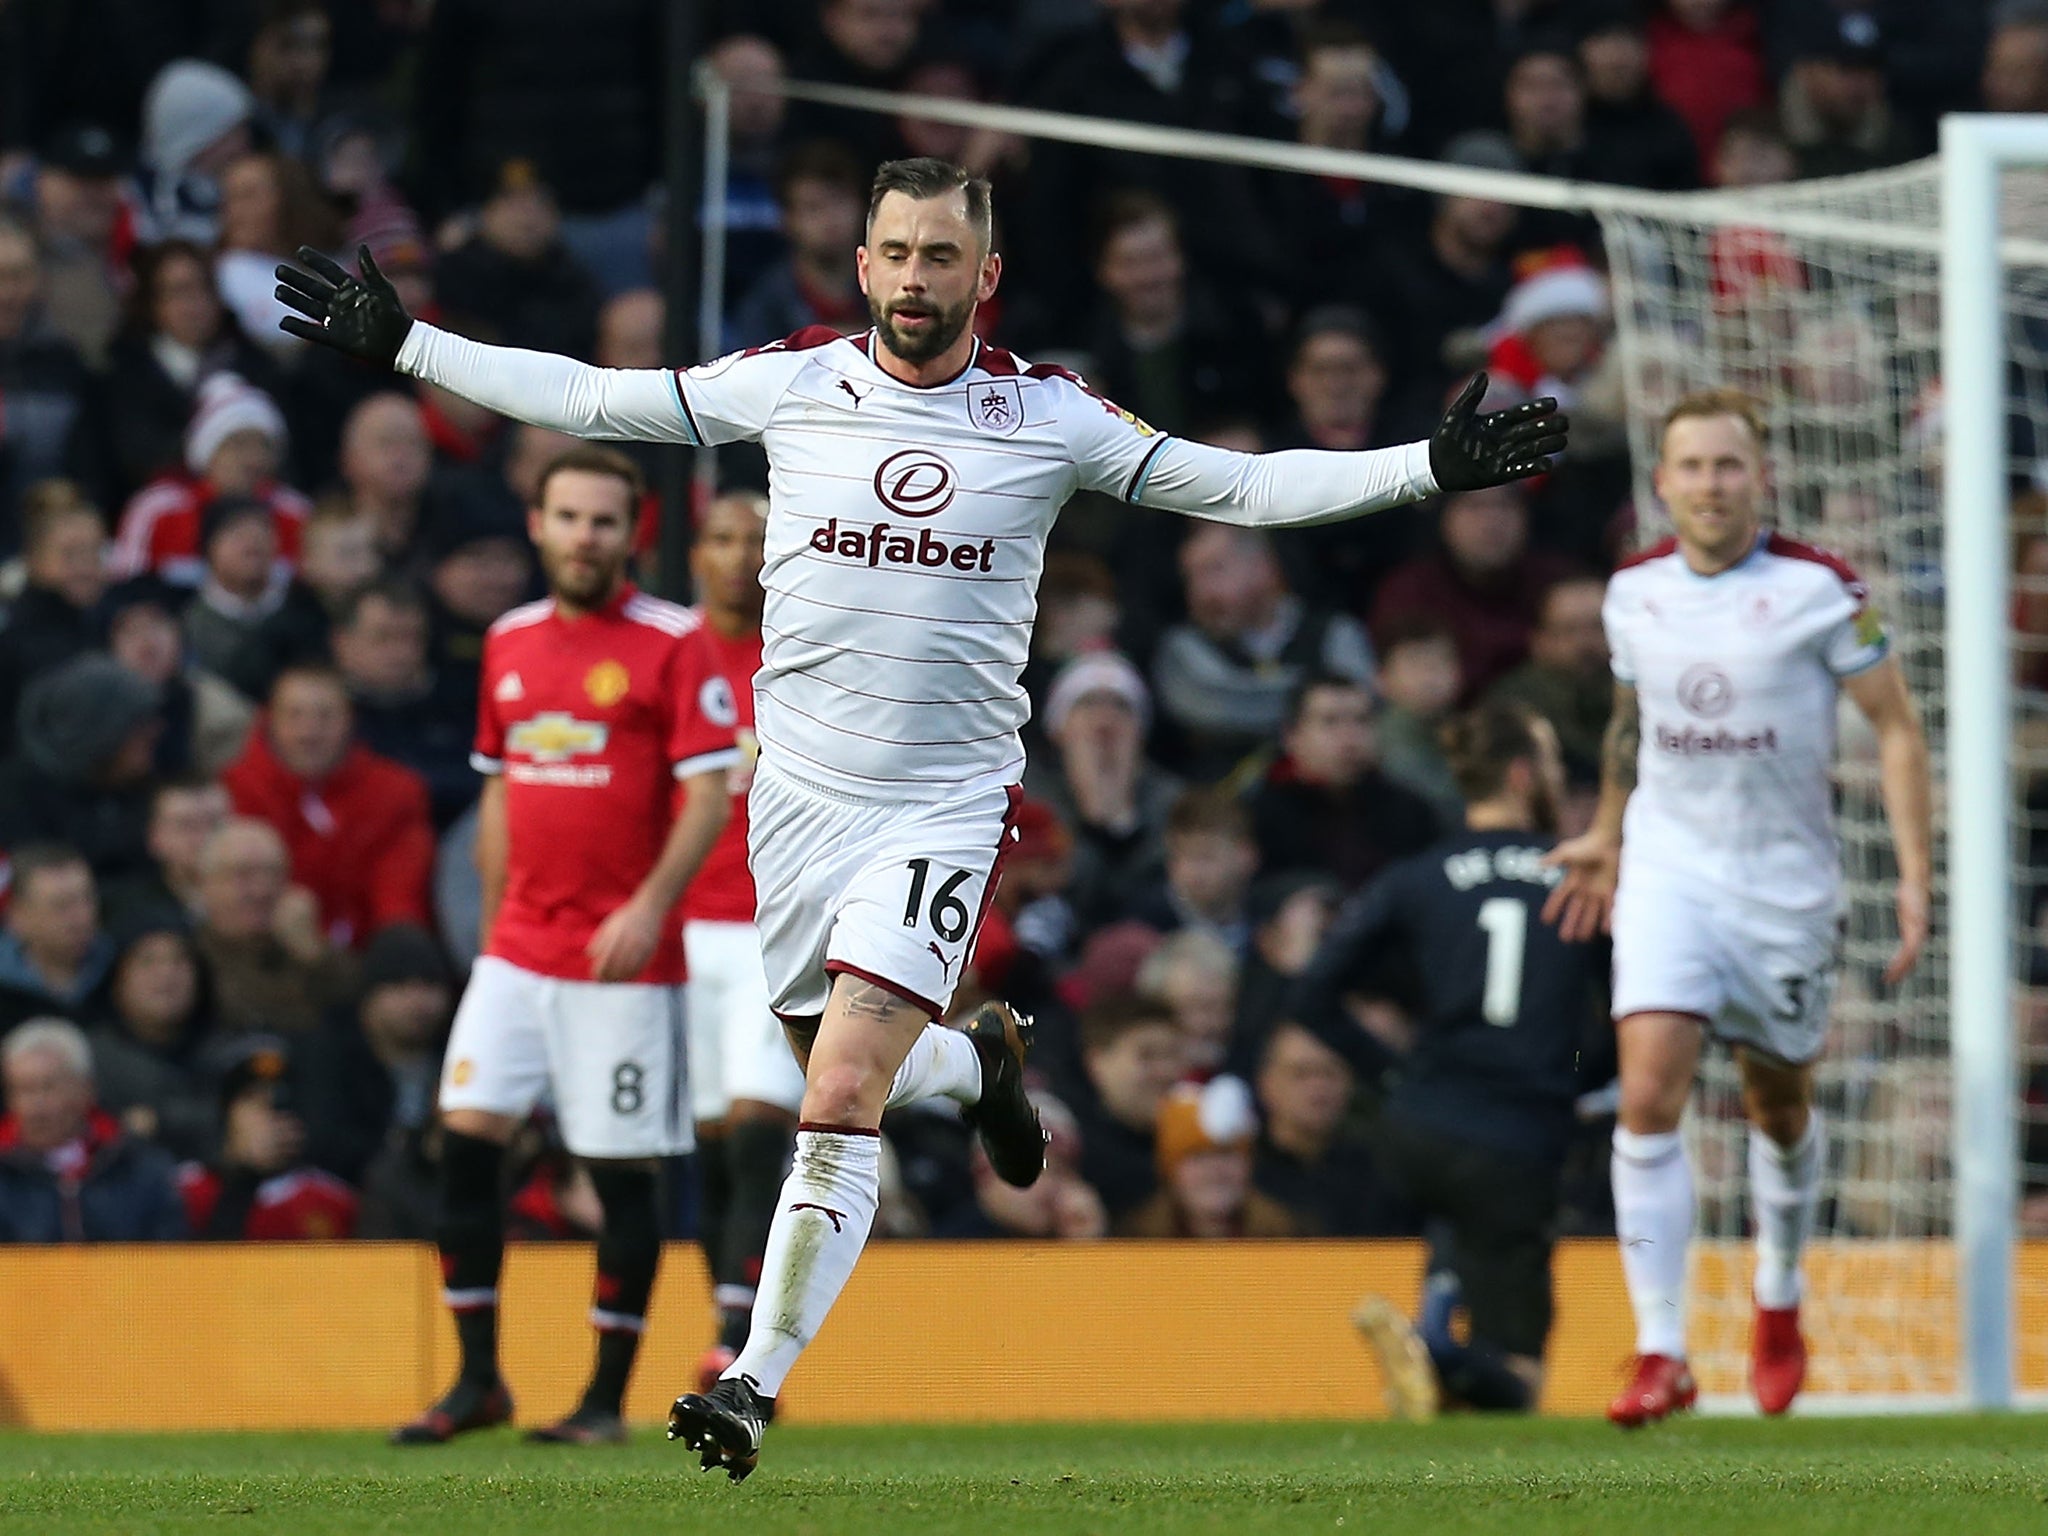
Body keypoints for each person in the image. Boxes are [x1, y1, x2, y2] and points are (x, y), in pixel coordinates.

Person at [274, 153, 1565, 1481]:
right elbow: (596, 397)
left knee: (833, 1090)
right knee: (831, 1056)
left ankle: (752, 1382)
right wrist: (412, 345)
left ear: (986, 276)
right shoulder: (794, 383)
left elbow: (1233, 487)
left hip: (939, 807)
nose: (912, 280)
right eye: (893, 253)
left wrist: (1426, 468)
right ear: (862, 264)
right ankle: (983, 1067)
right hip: (794, 804)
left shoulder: (1048, 417)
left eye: (940, 257)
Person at [1544, 388, 1933, 1426]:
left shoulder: (1823, 589)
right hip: (1669, 876)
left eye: (1728, 465)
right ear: (1660, 481)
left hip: (1784, 889)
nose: (1710, 484)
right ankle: (1661, 1348)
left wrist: (1911, 873)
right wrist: (1607, 830)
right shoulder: (1632, 592)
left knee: (1775, 1107)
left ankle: (1777, 1295)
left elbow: (1894, 727)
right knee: (1646, 1090)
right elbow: (1632, 724)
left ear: (1757, 476)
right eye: (1691, 466)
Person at [390, 445, 738, 1448]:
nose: (584, 536)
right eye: (567, 517)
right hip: (518, 950)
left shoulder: (672, 642)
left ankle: (601, 1401)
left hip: (621, 965)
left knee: (621, 1172)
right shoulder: (507, 641)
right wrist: (496, 918)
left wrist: (648, 907)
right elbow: (499, 786)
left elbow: (708, 792)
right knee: (463, 1145)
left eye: (603, 520)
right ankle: (476, 1384)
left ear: (630, 533)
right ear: (536, 526)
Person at [1293, 703, 1604, 1417]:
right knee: (1520, 1371)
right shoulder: (1581, 881)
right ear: (1525, 775)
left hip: (1417, 1125)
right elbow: (1626, 1011)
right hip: (1516, 1138)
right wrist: (1576, 1080)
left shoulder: (1418, 877)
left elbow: (1312, 991)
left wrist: (1393, 1076)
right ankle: (1439, 1348)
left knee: (1460, 1221)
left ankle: (1438, 1318)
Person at [679, 490, 807, 1391]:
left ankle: (736, 1338)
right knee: (711, 1141)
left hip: (774, 924)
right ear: (697, 554)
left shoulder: (808, 652)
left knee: (763, 1125)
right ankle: (731, 1317)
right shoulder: (669, 655)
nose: (738, 557)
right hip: (681, 930)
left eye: (756, 540)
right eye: (722, 539)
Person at [220, 663, 436, 948]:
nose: (309, 733)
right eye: (294, 716)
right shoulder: (235, 790)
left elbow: (399, 902)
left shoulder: (395, 794)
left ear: (350, 719)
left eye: (326, 716)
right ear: (270, 719)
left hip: (370, 960)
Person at [1244, 673, 1443, 890]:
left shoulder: (1411, 811)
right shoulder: (1258, 818)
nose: (1349, 738)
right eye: (1330, 722)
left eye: (1362, 720)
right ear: (1291, 735)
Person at [0, 1017, 188, 1241]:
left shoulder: (140, 1167)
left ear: (86, 1089)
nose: (36, 1107)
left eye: (48, 1088)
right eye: (22, 1090)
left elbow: (169, 1258)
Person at [0, 845, 114, 1033]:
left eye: (87, 899)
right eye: (61, 906)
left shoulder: (123, 967)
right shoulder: (5, 991)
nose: (82, 917)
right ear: (16, 917)